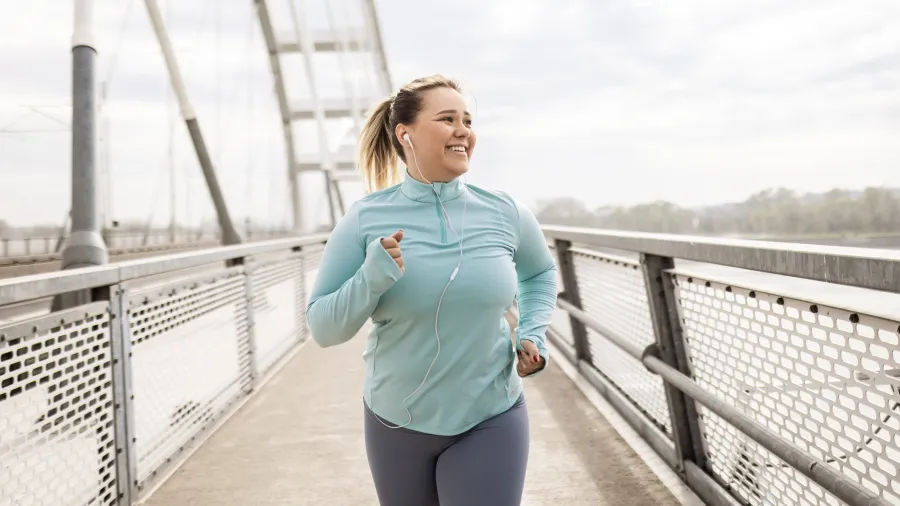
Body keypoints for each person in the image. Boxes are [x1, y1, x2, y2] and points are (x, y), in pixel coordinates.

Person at [306, 74, 558, 506]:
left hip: (490, 415)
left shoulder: (505, 211)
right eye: (447, 119)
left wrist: (532, 333)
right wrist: (371, 277)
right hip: (395, 423)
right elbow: (324, 328)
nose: (463, 131)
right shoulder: (364, 220)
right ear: (405, 134)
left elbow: (539, 275)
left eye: (467, 120)